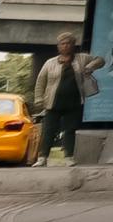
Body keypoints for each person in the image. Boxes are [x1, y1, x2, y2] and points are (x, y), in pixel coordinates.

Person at [31, 34, 85, 163]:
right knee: (48, 130)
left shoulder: (81, 60)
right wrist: (39, 99)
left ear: (73, 45)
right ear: (58, 46)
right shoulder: (50, 63)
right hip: (53, 102)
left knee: (70, 131)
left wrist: (90, 67)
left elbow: (100, 60)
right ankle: (42, 157)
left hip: (73, 102)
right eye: (62, 44)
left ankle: (68, 157)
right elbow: (40, 82)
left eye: (68, 43)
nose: (65, 46)